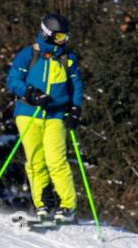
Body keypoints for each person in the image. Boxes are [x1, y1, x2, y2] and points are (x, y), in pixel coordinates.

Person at [6, 13, 84, 223]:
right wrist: (29, 93)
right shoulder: (28, 54)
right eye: (60, 37)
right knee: (35, 160)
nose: (64, 41)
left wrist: (75, 109)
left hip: (56, 115)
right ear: (47, 34)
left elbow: (76, 85)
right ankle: (43, 203)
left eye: (65, 37)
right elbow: (13, 80)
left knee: (56, 160)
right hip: (28, 113)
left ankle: (67, 206)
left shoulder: (68, 59)